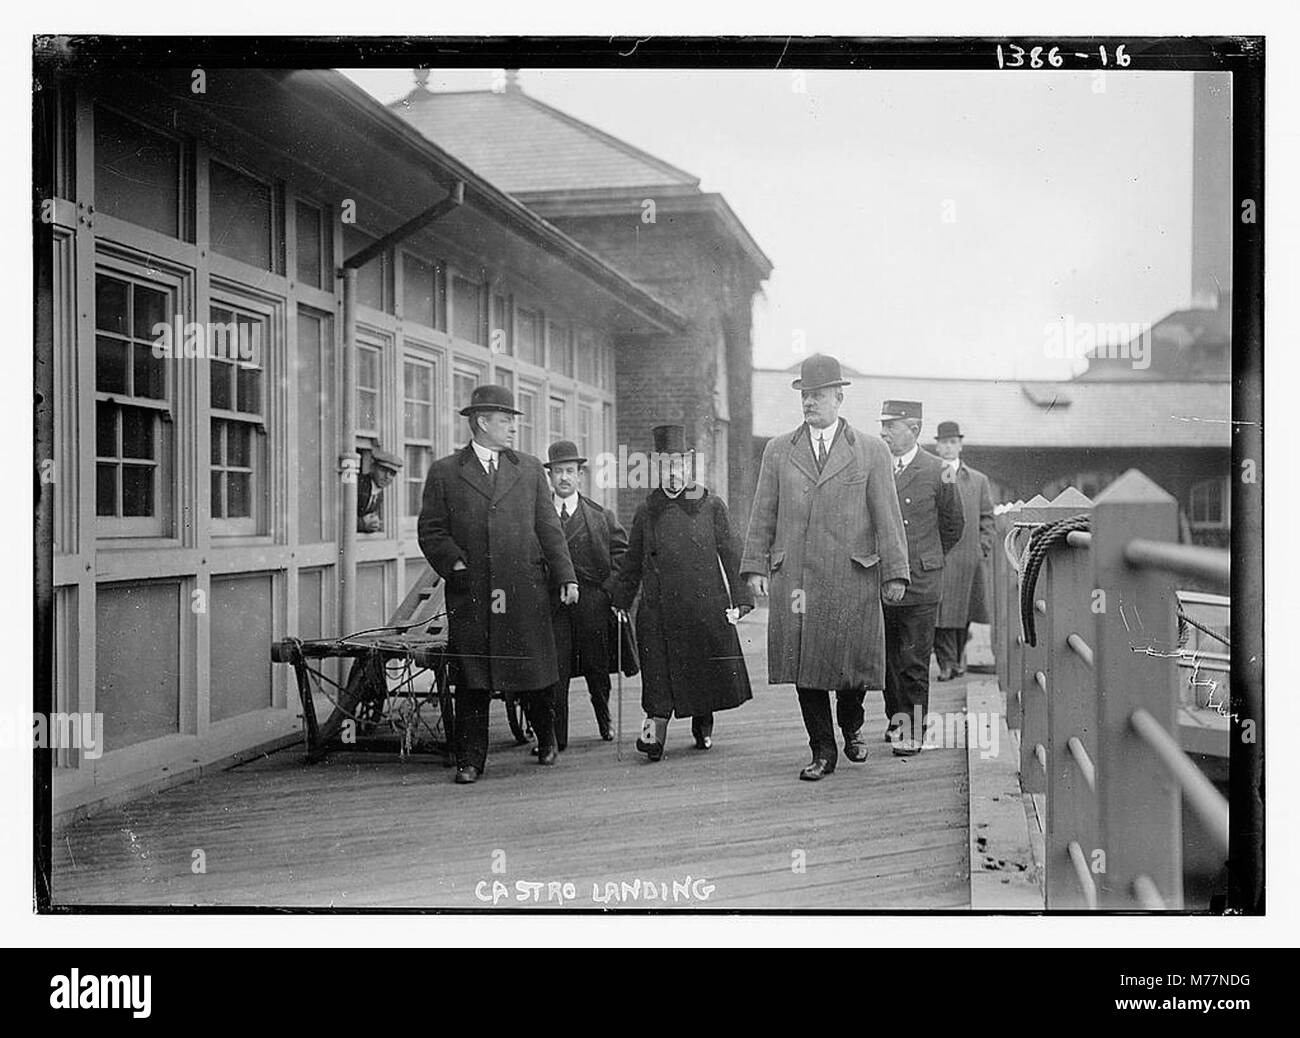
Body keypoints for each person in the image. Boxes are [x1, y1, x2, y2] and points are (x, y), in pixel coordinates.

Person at [741, 354, 910, 782]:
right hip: (796, 577)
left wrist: (894, 573)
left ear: (838, 397)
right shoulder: (779, 450)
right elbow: (763, 512)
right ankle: (822, 748)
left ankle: (851, 725)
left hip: (851, 576)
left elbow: (887, 516)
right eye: (804, 395)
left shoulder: (870, 450)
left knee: (851, 666)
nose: (809, 402)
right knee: (805, 665)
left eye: (817, 395)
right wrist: (755, 567)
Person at [417, 384, 578, 784]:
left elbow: (548, 527)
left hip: (524, 590)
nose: (512, 428)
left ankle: (546, 737)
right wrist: (455, 564)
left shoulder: (527, 469)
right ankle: (471, 760)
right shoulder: (446, 472)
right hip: (472, 592)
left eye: (512, 421)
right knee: (473, 679)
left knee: (534, 673)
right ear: (481, 422)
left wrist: (566, 575)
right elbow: (432, 530)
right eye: (505, 421)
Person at [610, 424, 753, 760]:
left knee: (701, 672)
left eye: (679, 466)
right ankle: (653, 735)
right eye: (665, 466)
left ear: (689, 466)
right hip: (658, 610)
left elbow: (732, 554)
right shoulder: (648, 511)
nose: (673, 474)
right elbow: (632, 561)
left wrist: (742, 598)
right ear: (656, 468)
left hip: (702, 607)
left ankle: (703, 724)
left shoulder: (710, 505)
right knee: (657, 679)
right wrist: (621, 599)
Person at [878, 401, 965, 755]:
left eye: (891, 427)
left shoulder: (939, 470)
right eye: (882, 426)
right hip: (885, 579)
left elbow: (953, 525)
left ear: (913, 430)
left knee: (914, 659)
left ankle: (913, 729)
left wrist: (928, 557)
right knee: (887, 659)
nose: (883, 433)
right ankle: (896, 719)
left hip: (922, 581)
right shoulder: (877, 466)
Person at [543, 439, 629, 749]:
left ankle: (603, 716)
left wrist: (606, 593)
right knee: (556, 670)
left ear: (580, 475)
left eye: (569, 471)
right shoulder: (540, 516)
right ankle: (556, 736)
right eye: (557, 472)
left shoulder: (600, 516)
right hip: (553, 605)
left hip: (592, 602)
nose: (564, 478)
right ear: (549, 477)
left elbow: (623, 556)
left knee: (596, 667)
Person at [931, 421, 995, 680]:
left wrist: (982, 547)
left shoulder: (978, 480)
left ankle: (956, 660)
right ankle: (947, 664)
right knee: (941, 612)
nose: (948, 447)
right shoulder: (930, 474)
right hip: (940, 555)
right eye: (944, 442)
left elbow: (987, 517)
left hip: (969, 556)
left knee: (964, 611)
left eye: (952, 442)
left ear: (960, 445)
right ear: (937, 445)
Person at [357, 447, 402, 533]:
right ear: (372, 467)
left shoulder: (379, 494)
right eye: (383, 470)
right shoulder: (358, 484)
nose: (387, 477)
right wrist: (362, 524)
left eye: (392, 474)